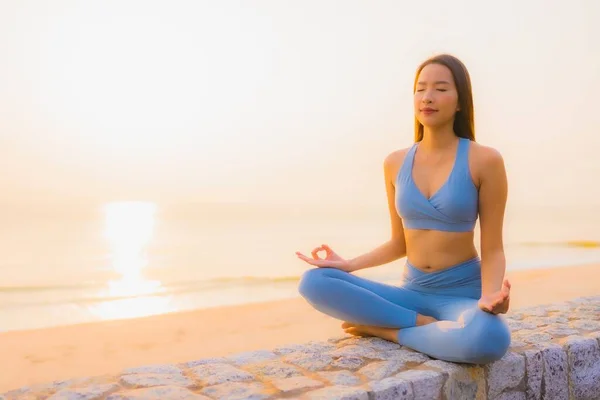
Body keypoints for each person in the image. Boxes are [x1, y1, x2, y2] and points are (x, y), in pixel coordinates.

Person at [295, 54, 511, 364]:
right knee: (314, 282)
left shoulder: (485, 160)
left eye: (440, 88)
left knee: (490, 338)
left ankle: (389, 331)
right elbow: (400, 242)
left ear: (461, 101)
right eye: (421, 88)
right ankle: (421, 325)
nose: (428, 97)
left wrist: (490, 295)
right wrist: (349, 265)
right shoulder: (395, 162)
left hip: (461, 295)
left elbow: (492, 249)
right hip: (410, 292)